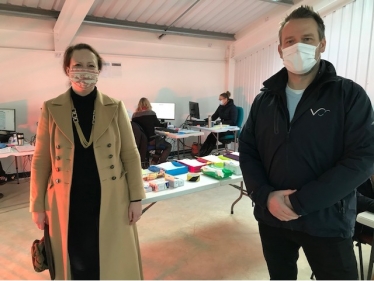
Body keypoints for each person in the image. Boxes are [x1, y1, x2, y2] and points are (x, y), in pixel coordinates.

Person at [239, 5, 374, 280]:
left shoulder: (348, 95)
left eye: (307, 39)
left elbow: (362, 158)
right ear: (280, 49)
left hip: (327, 221)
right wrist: (264, 196)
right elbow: (248, 149)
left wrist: (300, 203)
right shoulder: (264, 100)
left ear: (321, 44)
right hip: (272, 217)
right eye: (290, 41)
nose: (297, 46)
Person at [30, 43, 146, 280]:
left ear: (98, 70)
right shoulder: (51, 108)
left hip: (110, 196)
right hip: (65, 199)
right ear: (67, 70)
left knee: (109, 258)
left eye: (91, 65)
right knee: (75, 260)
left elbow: (130, 155)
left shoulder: (115, 106)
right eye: (78, 65)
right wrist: (37, 205)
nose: (85, 70)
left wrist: (136, 198)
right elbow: (41, 160)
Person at [132, 97, 172, 164]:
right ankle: (161, 162)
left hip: (141, 142)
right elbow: (158, 125)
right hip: (151, 141)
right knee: (168, 145)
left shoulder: (134, 116)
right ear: (148, 104)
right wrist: (166, 125)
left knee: (159, 140)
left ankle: (155, 160)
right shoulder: (151, 113)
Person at [199, 91, 237, 156]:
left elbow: (233, 121)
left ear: (225, 99)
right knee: (211, 136)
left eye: (221, 99)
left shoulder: (233, 108)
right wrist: (204, 121)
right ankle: (202, 153)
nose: (220, 101)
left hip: (229, 130)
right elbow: (214, 116)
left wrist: (221, 122)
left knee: (213, 136)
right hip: (221, 128)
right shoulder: (221, 107)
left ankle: (204, 154)